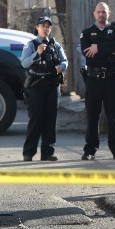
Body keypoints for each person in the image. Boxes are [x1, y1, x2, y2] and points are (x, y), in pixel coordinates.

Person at [80, 2, 115, 160]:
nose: (101, 14)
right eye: (99, 12)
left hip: (112, 79)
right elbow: (87, 52)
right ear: (94, 13)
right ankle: (90, 150)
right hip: (93, 79)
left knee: (113, 114)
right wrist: (108, 49)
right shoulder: (87, 33)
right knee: (93, 115)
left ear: (109, 13)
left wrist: (98, 48)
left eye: (104, 12)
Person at [21, 15, 68, 161]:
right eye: (43, 26)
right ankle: (28, 153)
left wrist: (62, 67)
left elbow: (64, 60)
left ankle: (48, 152)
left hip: (52, 84)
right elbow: (24, 63)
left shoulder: (55, 44)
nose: (46, 29)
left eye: (48, 26)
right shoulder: (30, 45)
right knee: (36, 119)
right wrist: (38, 53)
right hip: (36, 85)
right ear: (37, 28)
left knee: (50, 119)